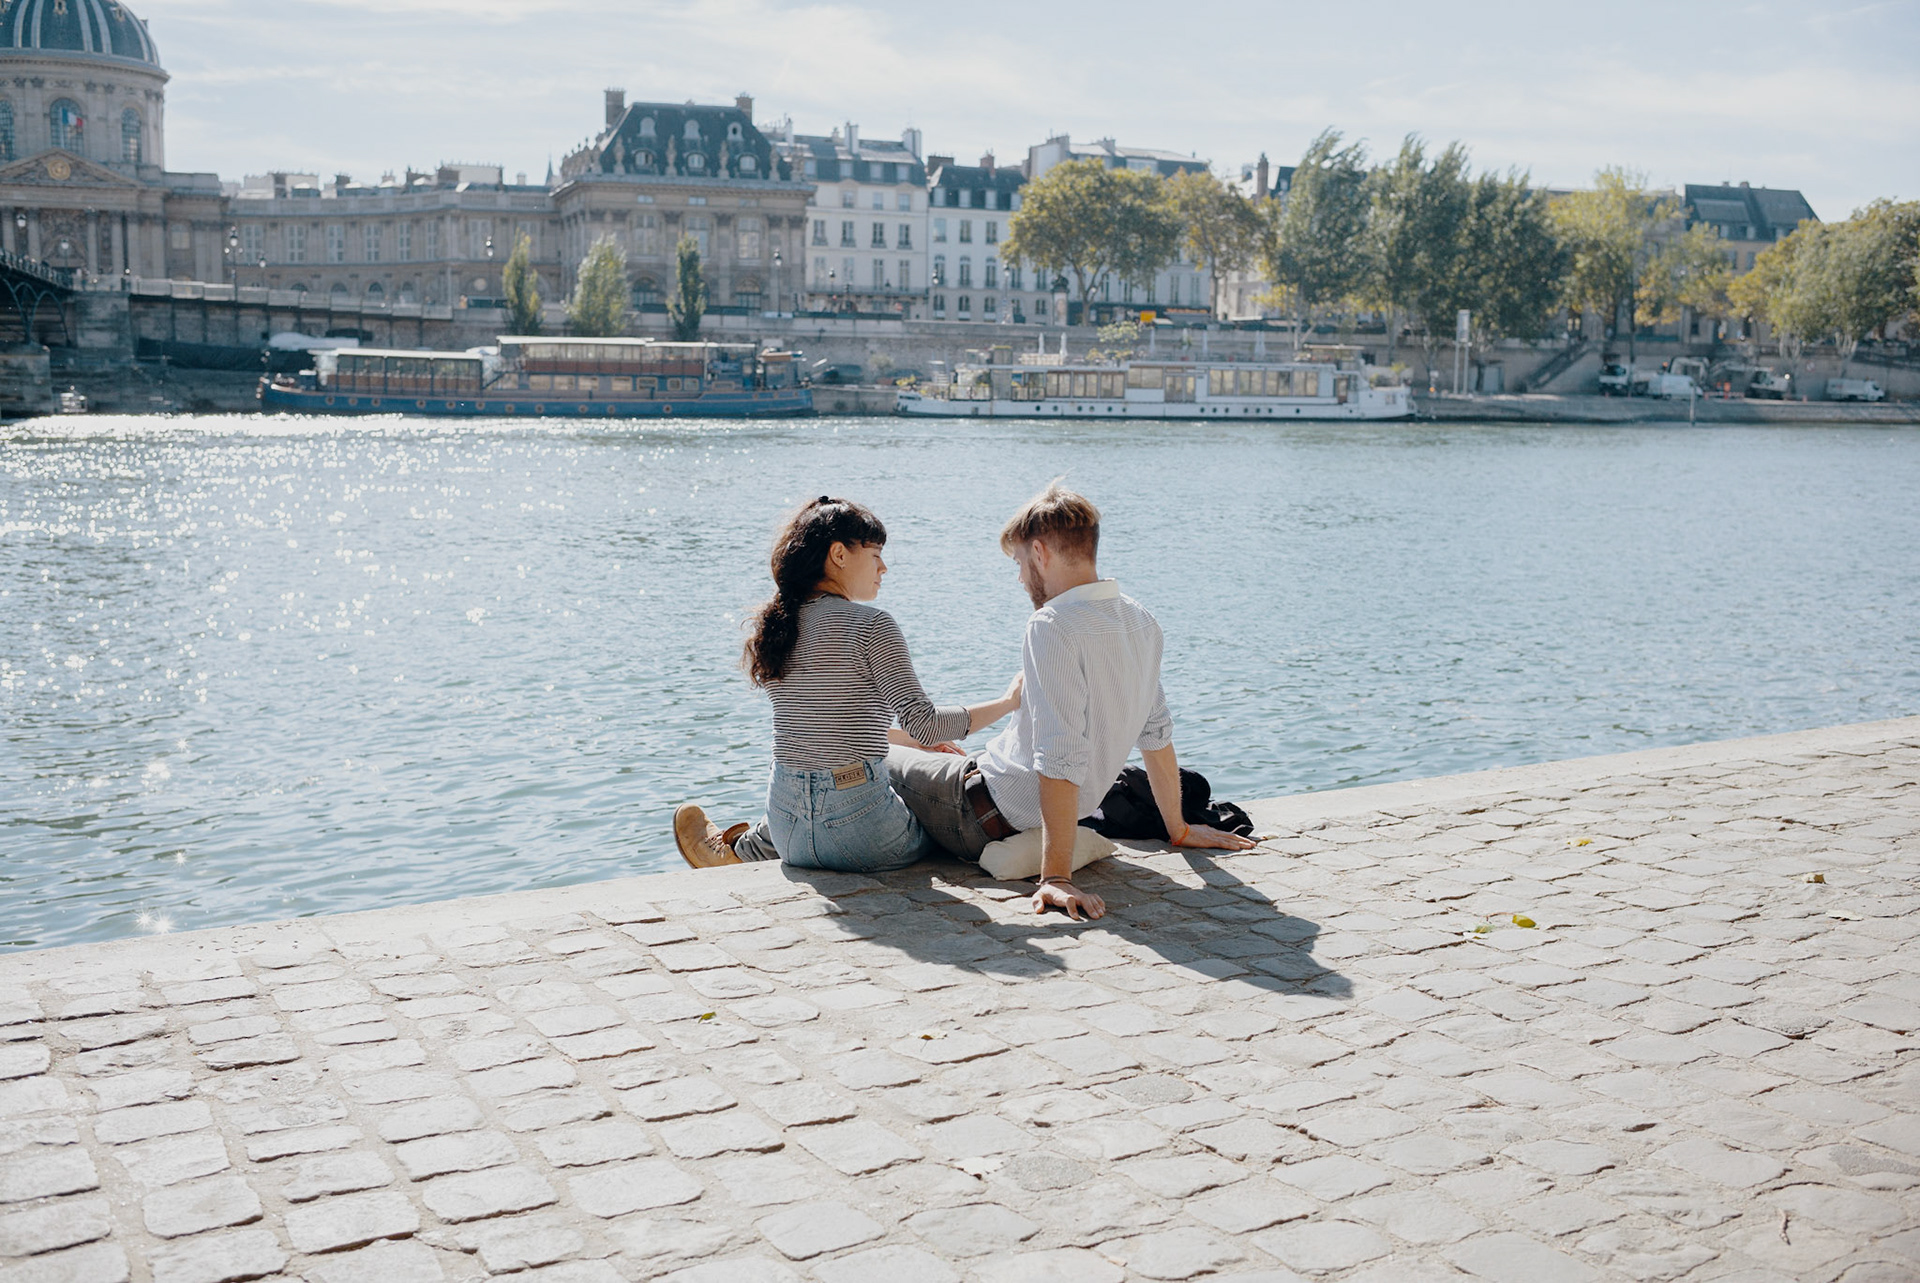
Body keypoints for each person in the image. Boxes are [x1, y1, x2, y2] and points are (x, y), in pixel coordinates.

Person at [889, 482, 1254, 920]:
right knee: (921, 745)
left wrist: (1055, 878)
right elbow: (1155, 734)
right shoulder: (1141, 620)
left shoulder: (1051, 625)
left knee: (873, 749)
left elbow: (1059, 755)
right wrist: (1176, 828)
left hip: (980, 812)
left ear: (1040, 552)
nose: (1020, 577)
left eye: (1020, 563)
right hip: (1009, 797)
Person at [673, 496, 1021, 873]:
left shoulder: (777, 626)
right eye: (875, 554)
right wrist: (1008, 701)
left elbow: (829, 729)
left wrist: (914, 740)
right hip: (865, 835)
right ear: (839, 554)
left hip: (789, 832)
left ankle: (741, 849)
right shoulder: (872, 626)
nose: (884, 567)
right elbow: (927, 723)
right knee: (930, 813)